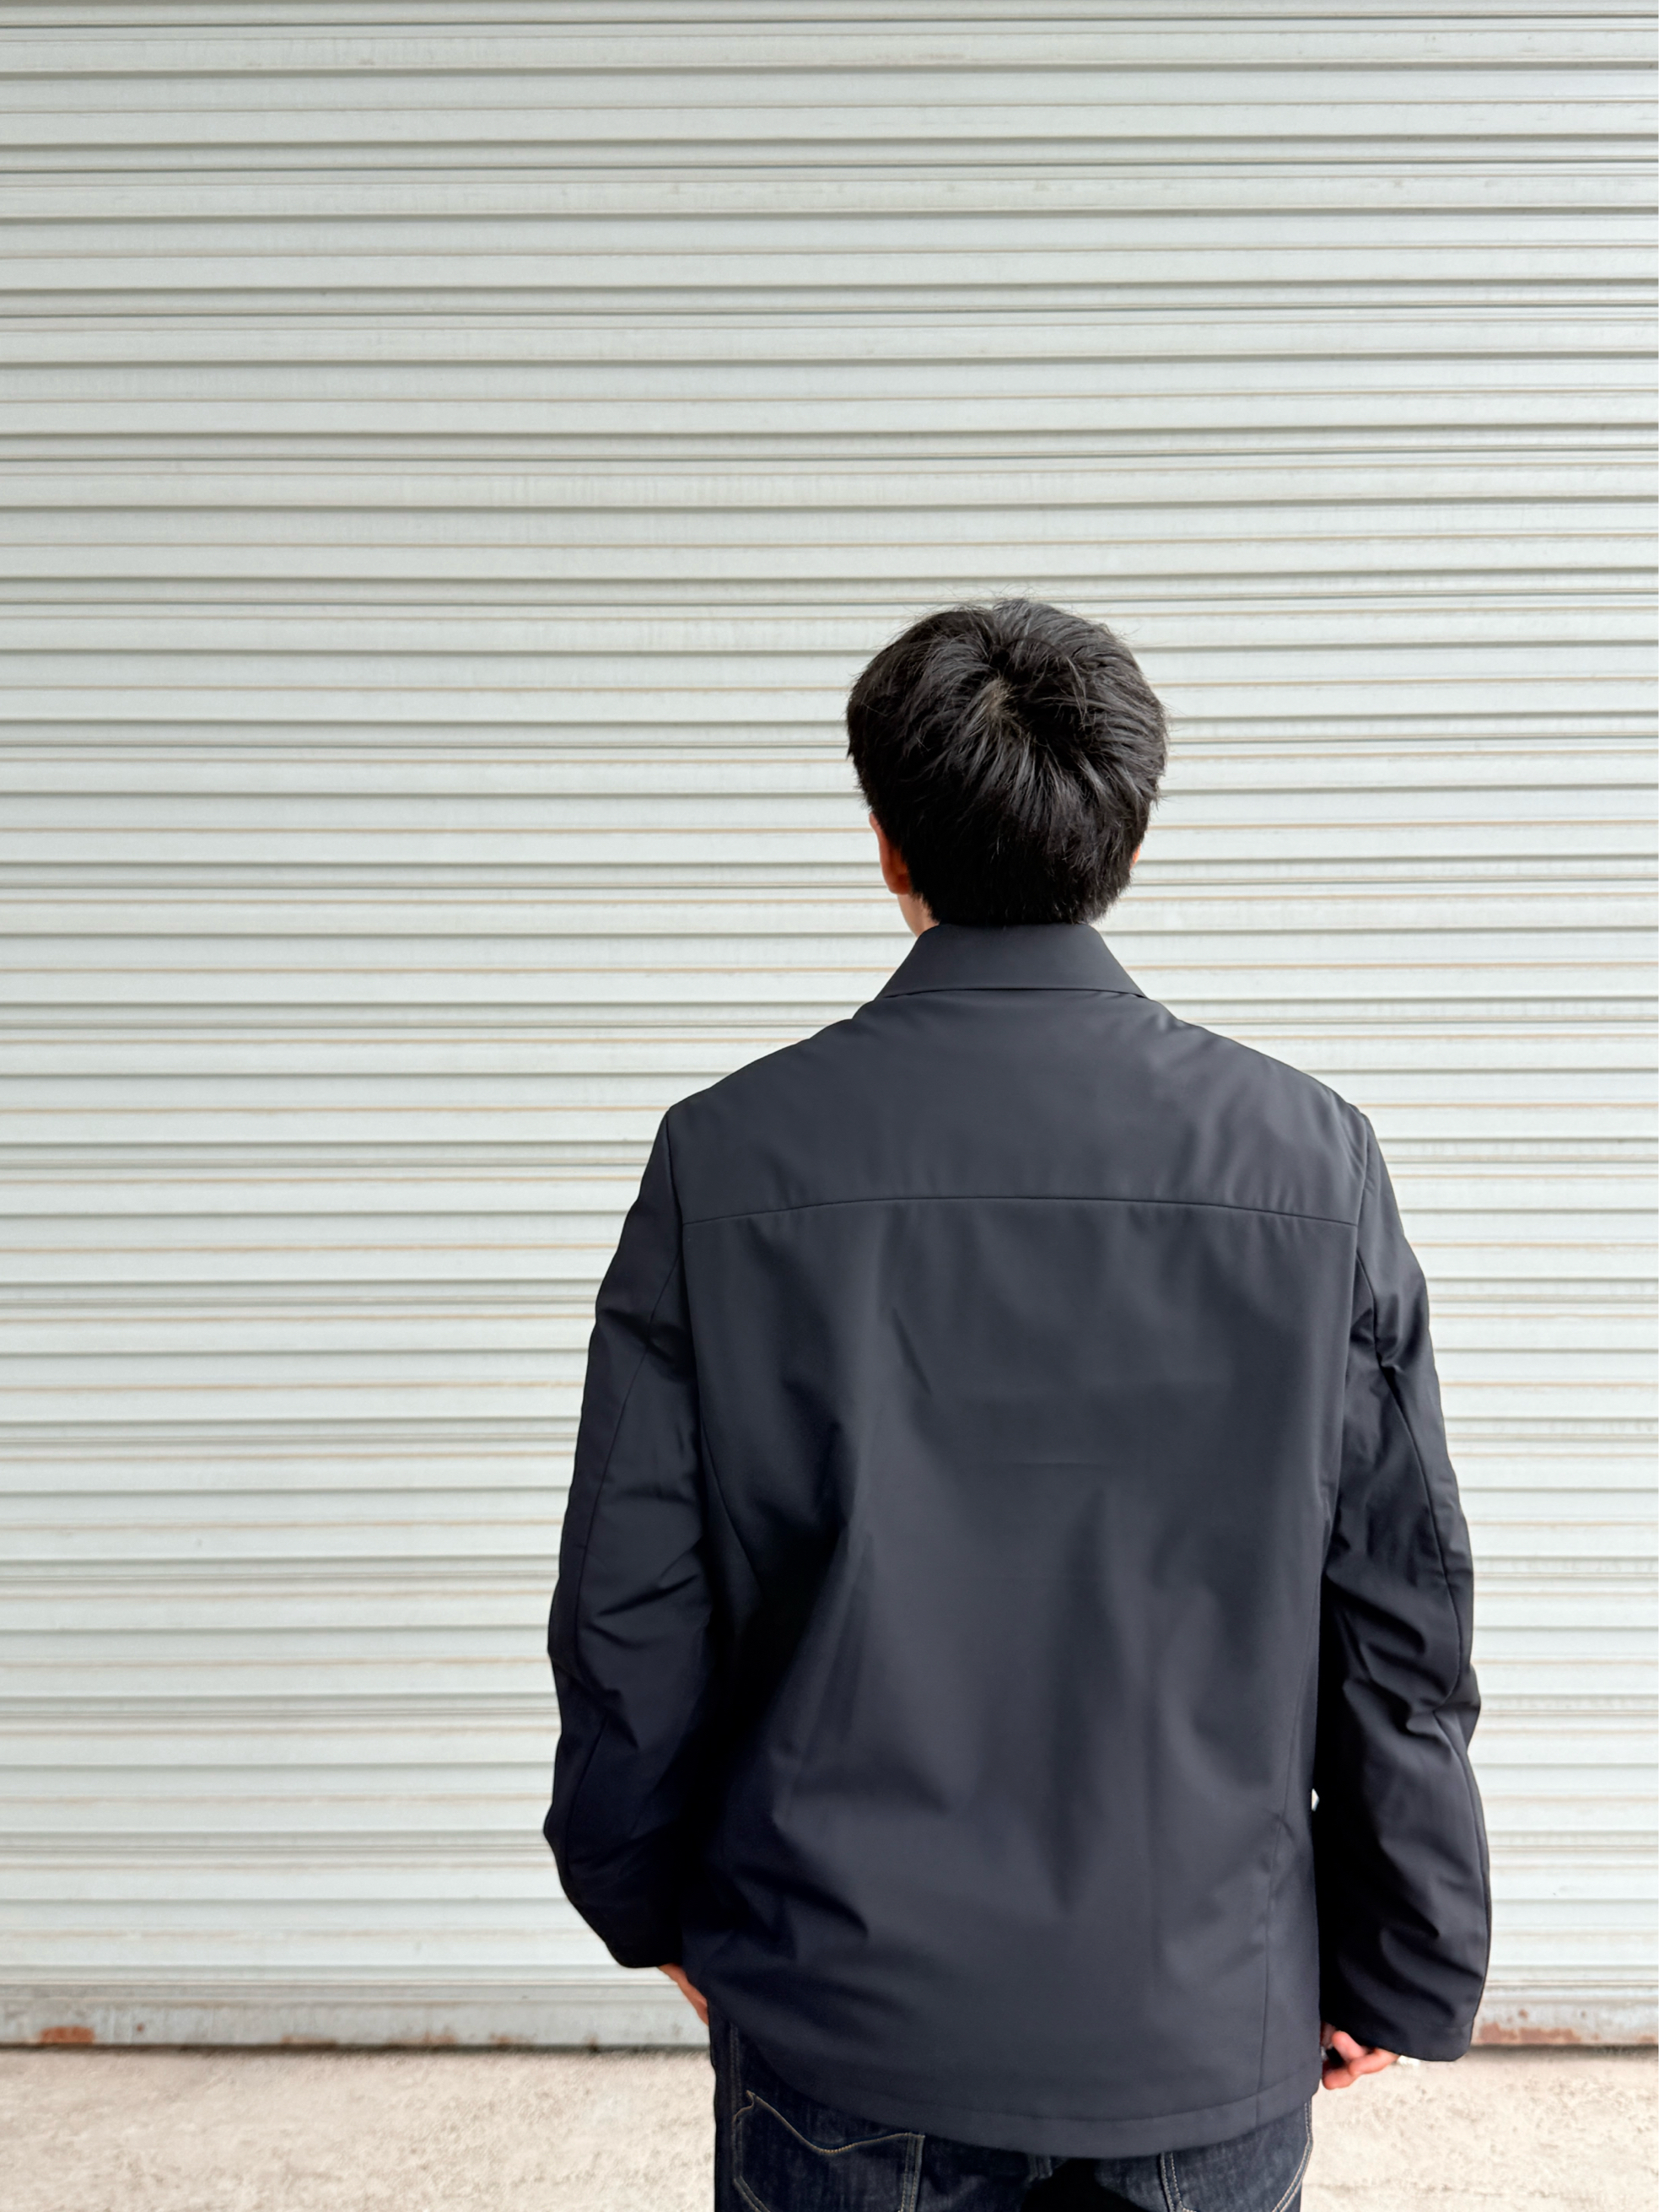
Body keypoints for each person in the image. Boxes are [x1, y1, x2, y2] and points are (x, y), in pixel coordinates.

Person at [545, 601, 1490, 2211]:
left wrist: (647, 1895)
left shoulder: (730, 1157)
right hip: (1200, 2012)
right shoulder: (1309, 1161)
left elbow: (631, 1600)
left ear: (887, 842)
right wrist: (1408, 1948)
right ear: (1126, 840)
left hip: (843, 2008)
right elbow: (1399, 1608)